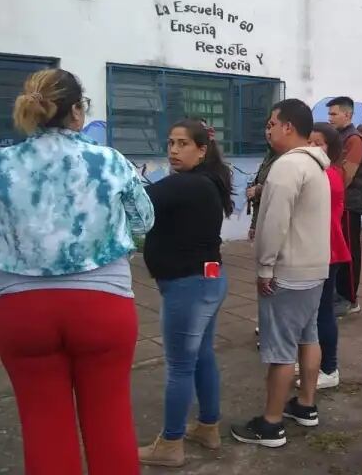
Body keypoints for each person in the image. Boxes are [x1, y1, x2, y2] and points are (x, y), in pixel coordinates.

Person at [0, 69, 154, 474]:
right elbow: (144, 221)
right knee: (109, 419)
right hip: (103, 304)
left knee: (43, 426)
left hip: (20, 309)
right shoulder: (110, 161)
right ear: (77, 112)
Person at [231, 99, 330, 448]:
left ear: (288, 126)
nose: (267, 129)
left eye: (271, 123)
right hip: (314, 268)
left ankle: (271, 424)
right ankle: (305, 405)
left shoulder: (287, 167)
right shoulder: (316, 164)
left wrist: (264, 267)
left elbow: (274, 224)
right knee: (308, 336)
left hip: (288, 271)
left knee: (280, 350)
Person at [138, 119, 234, 467]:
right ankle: (208, 427)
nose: (174, 150)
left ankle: (171, 443)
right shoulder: (207, 181)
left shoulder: (186, 185)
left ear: (202, 150)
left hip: (188, 287)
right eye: (171, 143)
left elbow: (136, 199)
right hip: (208, 280)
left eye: (183, 144)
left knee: (180, 366)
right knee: (202, 355)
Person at [304, 123, 351, 389]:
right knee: (310, 312)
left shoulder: (328, 175)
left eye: (318, 142)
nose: (311, 147)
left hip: (327, 251)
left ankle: (329, 367)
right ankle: (313, 360)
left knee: (322, 312)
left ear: (330, 148)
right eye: (308, 142)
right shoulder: (320, 172)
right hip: (316, 249)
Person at [327, 97, 362, 315]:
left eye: (334, 114)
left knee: (349, 252)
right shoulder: (336, 138)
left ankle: (350, 298)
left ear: (347, 115)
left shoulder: (354, 140)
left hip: (348, 204)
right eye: (329, 114)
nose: (330, 118)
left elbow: (346, 176)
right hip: (335, 204)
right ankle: (337, 294)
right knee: (336, 251)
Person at [247, 121, 279, 241]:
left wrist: (259, 190)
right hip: (262, 221)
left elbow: (282, 190)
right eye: (267, 128)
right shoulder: (269, 155)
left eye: (273, 127)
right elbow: (258, 199)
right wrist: (254, 225)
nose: (269, 133)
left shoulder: (288, 158)